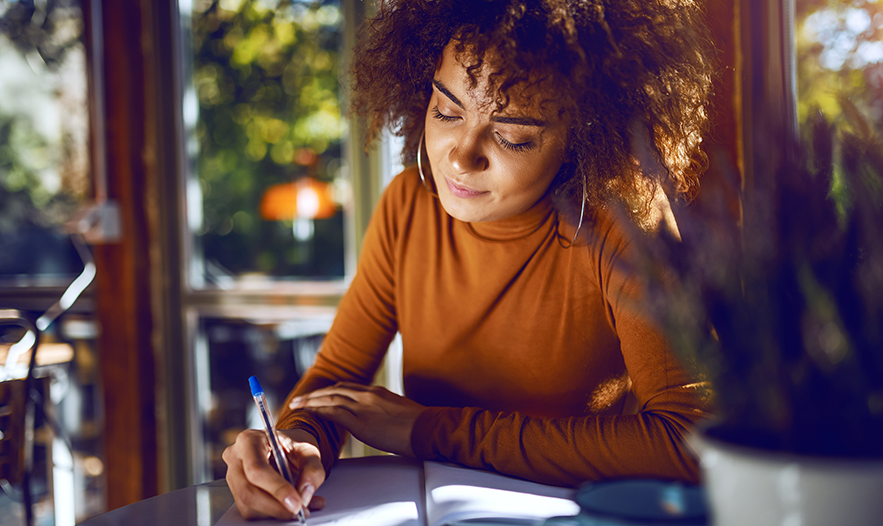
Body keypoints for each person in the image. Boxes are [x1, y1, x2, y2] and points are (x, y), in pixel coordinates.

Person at [223, 0, 715, 520]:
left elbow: (689, 436)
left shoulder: (625, 221)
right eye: (447, 111)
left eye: (512, 136)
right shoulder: (407, 205)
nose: (461, 155)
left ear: (583, 140)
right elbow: (338, 376)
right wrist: (295, 443)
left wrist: (430, 430)